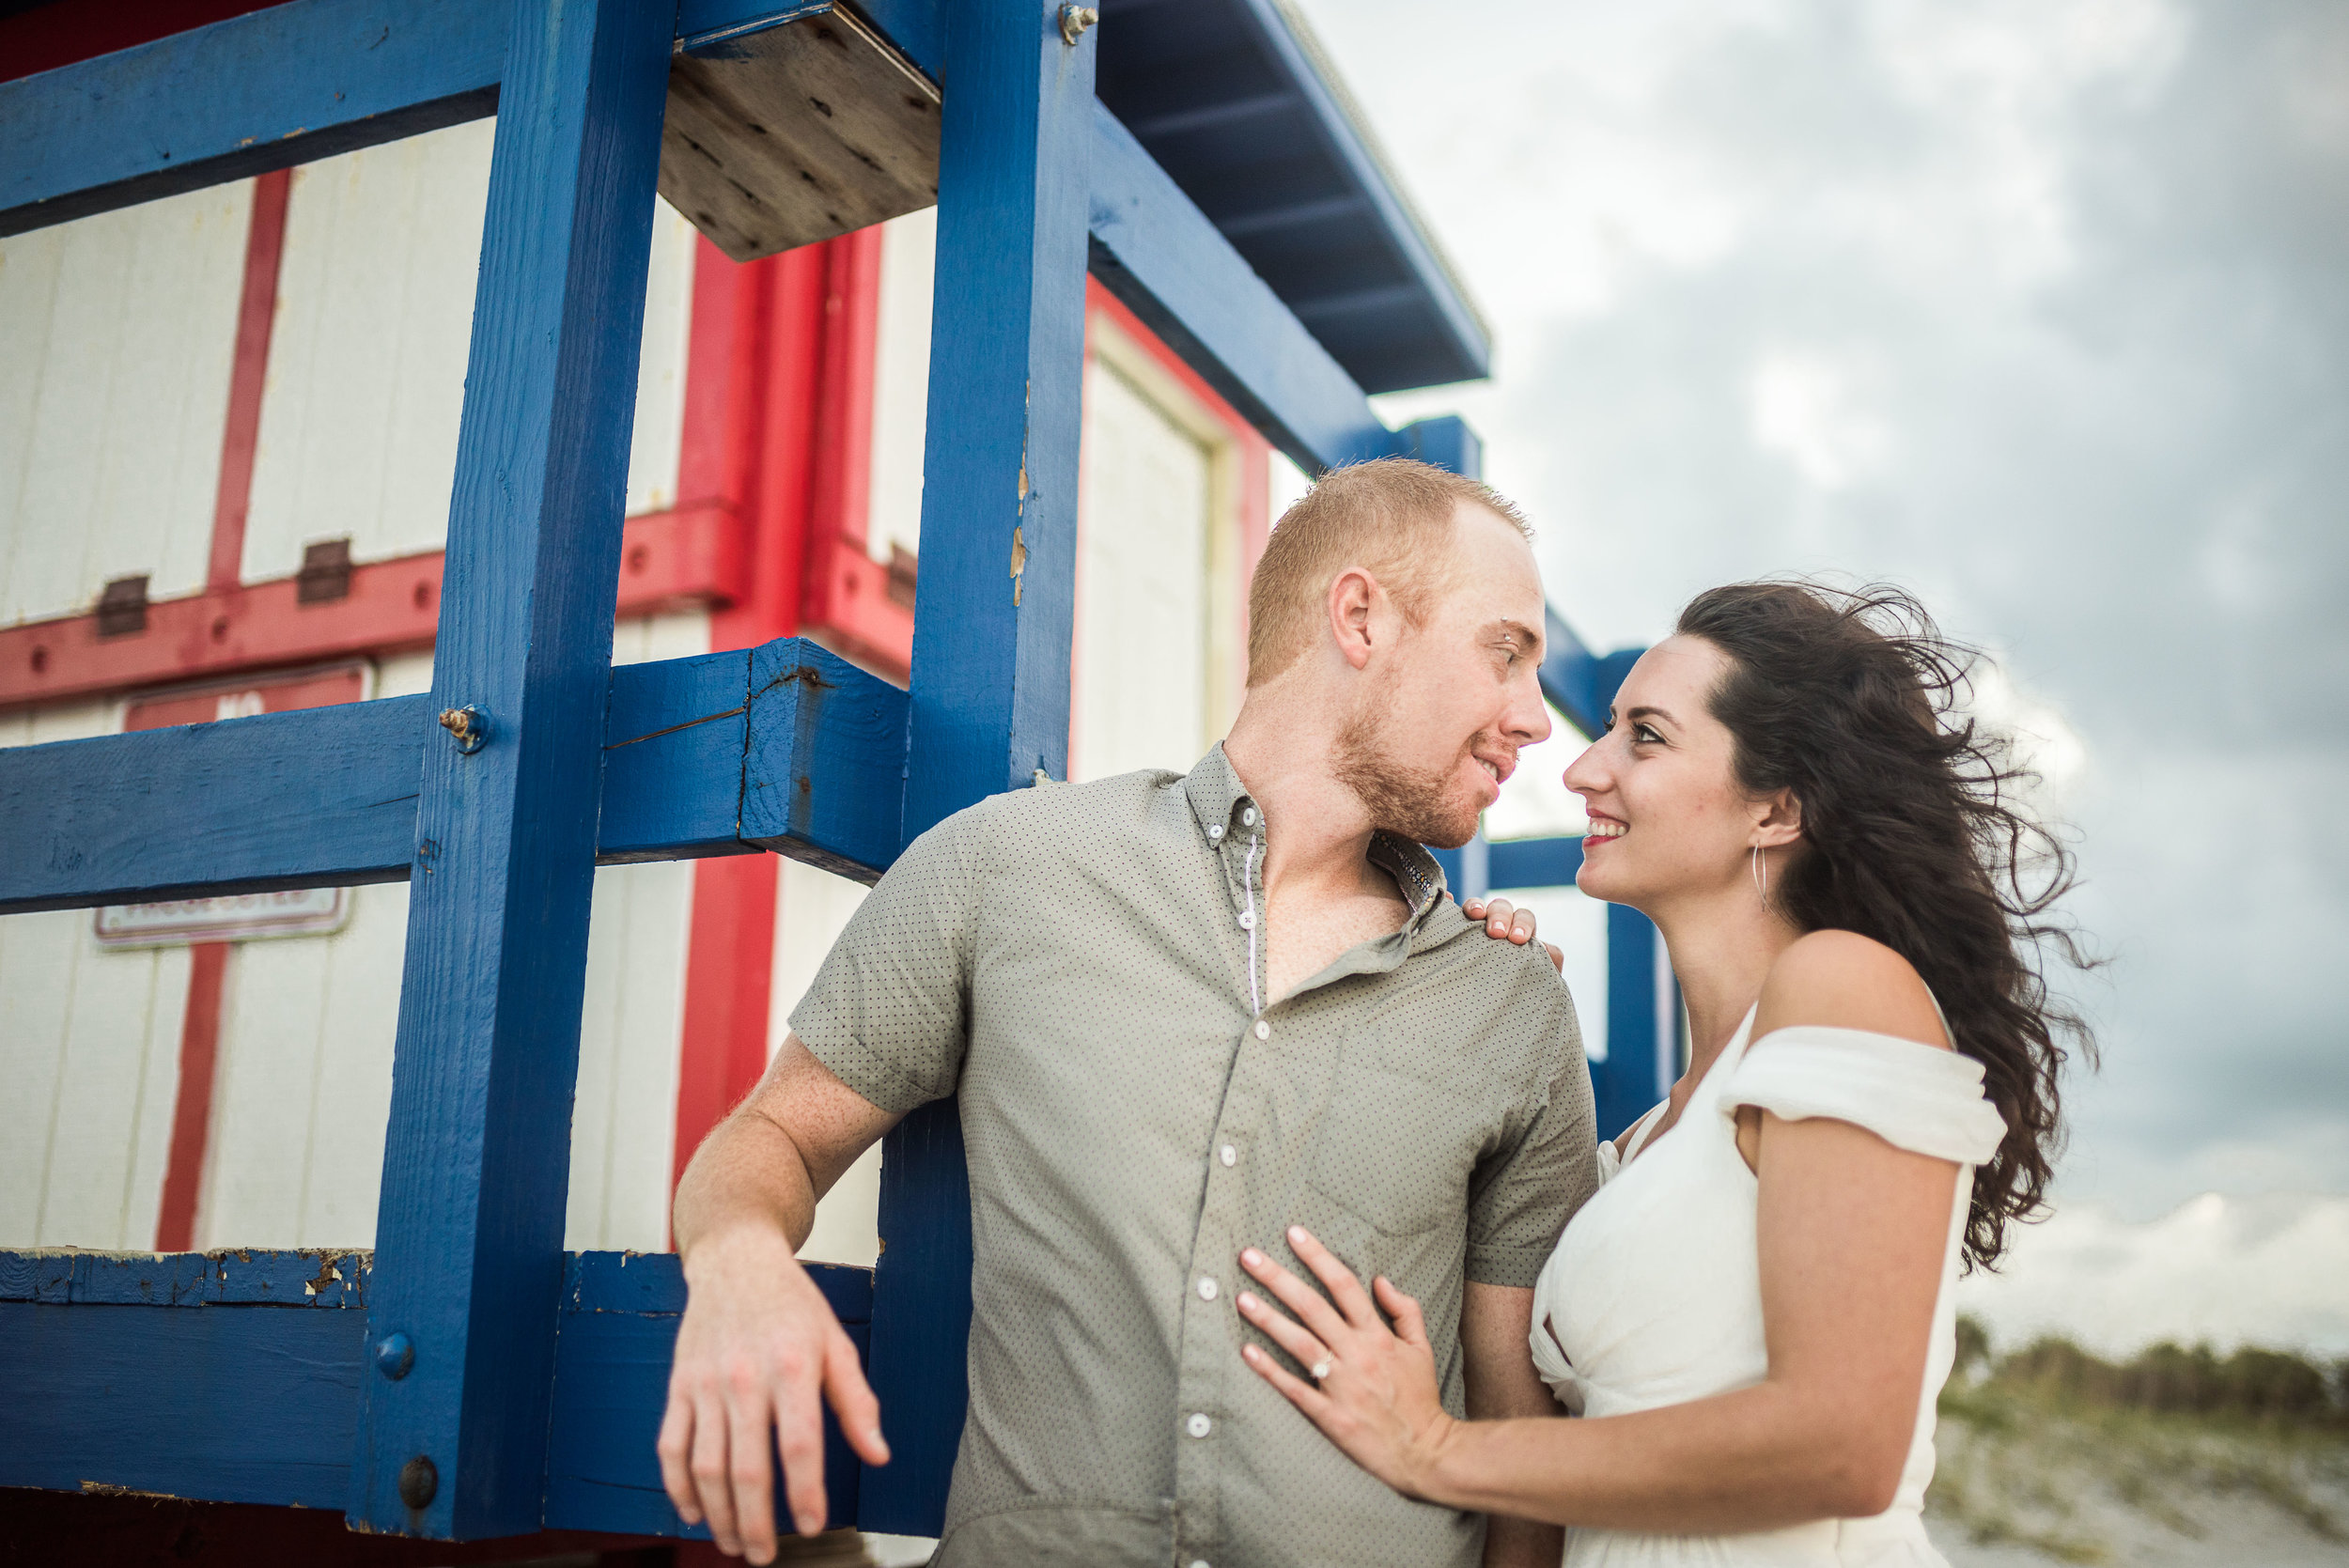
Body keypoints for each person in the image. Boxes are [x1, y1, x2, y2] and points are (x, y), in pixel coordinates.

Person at [658, 458, 1601, 1568]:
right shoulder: (1007, 868)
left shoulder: (1509, 1005)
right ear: (1359, 616)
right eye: (1505, 652)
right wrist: (736, 1261)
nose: (1535, 721)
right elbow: (774, 1132)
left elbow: (1516, 1444)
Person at [1235, 582, 2091, 1566]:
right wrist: (1465, 990)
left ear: (1775, 808)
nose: (1585, 770)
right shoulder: (1644, 1141)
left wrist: (1433, 1448)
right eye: (1607, 729)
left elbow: (1845, 1445)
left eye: (1644, 737)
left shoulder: (1843, 984)